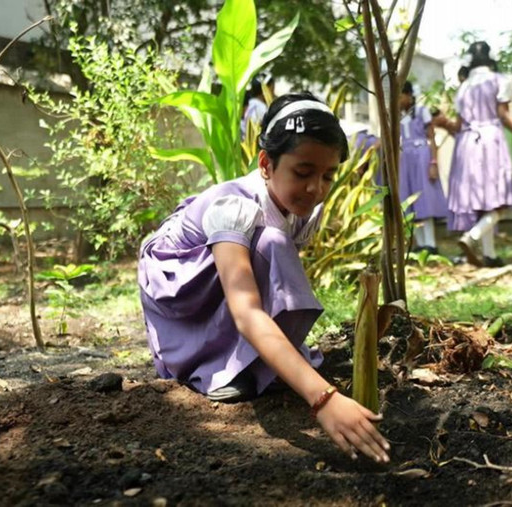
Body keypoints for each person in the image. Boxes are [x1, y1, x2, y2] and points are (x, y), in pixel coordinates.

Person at [138, 92, 390, 463]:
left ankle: (259, 359)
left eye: (328, 176)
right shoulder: (234, 206)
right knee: (272, 242)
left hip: (230, 274)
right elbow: (246, 310)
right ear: (266, 164)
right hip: (181, 291)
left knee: (273, 244)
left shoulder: (304, 205)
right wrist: (323, 398)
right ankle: (216, 367)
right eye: (302, 173)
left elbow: (269, 276)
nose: (316, 188)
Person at [439, 41, 512, 267]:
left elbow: (458, 126)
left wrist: (443, 124)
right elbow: (503, 115)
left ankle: (490, 255)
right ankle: (472, 236)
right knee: (500, 200)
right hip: (490, 141)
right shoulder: (499, 80)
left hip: (466, 145)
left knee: (482, 203)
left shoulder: (463, 87)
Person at [398, 81, 448, 254]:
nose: (398, 100)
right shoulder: (398, 116)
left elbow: (431, 138)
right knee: (409, 200)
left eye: (400, 96)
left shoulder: (421, 111)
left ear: (409, 95)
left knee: (424, 199)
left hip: (421, 157)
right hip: (406, 159)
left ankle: (430, 244)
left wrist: (433, 163)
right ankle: (419, 244)